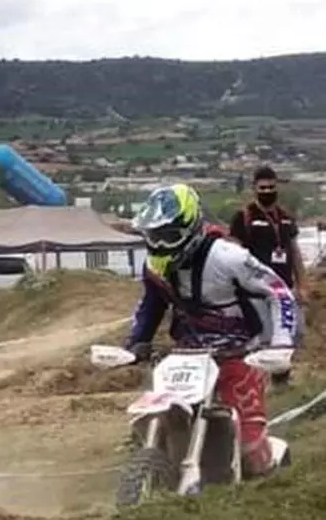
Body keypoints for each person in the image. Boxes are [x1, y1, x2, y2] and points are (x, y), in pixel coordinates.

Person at [127, 183, 297, 478]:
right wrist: (136, 343)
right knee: (155, 416)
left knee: (250, 452)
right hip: (185, 353)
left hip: (239, 351)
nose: (160, 244)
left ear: (191, 228)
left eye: (168, 236)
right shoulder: (154, 267)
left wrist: (281, 343)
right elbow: (151, 305)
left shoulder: (229, 257)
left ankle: (269, 468)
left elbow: (278, 291)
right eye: (153, 236)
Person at [229, 166, 305, 385]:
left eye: (271, 187)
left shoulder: (286, 218)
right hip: (256, 292)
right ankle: (255, 383)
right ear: (254, 188)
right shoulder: (243, 217)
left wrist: (302, 285)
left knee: (291, 336)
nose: (267, 191)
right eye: (262, 188)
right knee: (264, 339)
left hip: (284, 291)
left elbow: (295, 253)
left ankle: (282, 381)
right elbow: (233, 254)